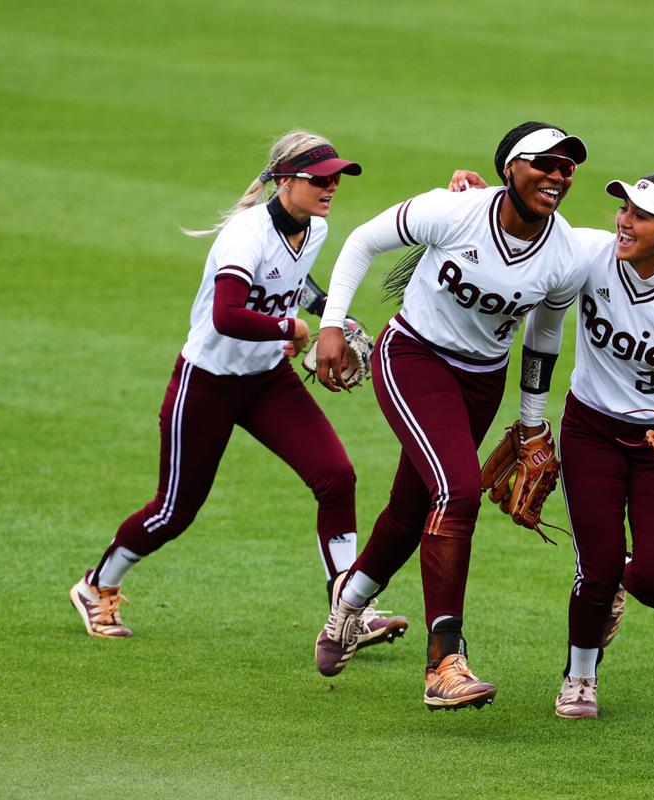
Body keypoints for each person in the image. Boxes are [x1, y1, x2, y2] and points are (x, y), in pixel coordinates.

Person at [449, 168, 654, 718]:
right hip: (591, 429)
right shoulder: (590, 254)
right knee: (594, 569)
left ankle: (618, 584)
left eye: (641, 216)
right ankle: (579, 676)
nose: (624, 221)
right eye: (623, 210)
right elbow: (530, 229)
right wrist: (476, 197)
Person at [69, 131, 407, 652]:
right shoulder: (244, 236)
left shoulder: (313, 226)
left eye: (337, 177)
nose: (332, 186)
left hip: (268, 381)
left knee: (336, 477)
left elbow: (299, 282)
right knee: (173, 511)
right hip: (205, 384)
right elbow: (226, 315)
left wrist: (329, 317)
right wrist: (288, 330)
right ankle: (97, 585)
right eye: (321, 178)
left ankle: (348, 613)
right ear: (286, 180)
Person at [311, 121, 591, 711]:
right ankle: (444, 662)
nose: (558, 175)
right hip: (412, 357)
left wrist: (533, 419)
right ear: (509, 167)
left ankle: (349, 603)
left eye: (568, 167)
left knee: (415, 507)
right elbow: (363, 240)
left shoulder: (564, 253)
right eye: (546, 163)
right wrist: (332, 325)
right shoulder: (454, 210)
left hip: (482, 380)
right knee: (459, 493)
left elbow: (543, 335)